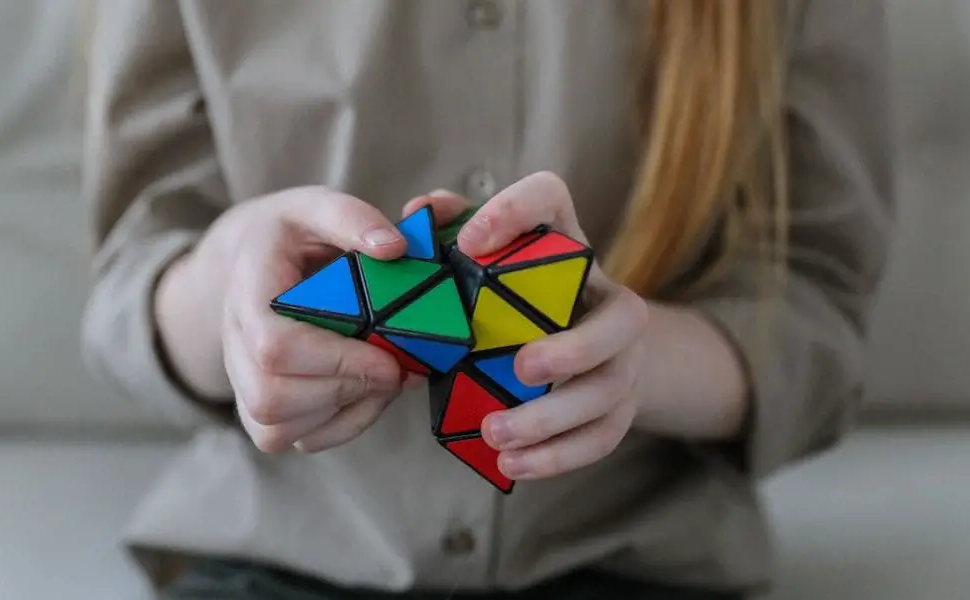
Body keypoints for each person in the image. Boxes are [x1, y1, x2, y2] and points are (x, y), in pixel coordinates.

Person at [80, 1, 892, 598]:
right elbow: (127, 292)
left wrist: (635, 363)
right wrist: (231, 279)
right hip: (278, 555)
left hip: (629, 559)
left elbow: (815, 315)